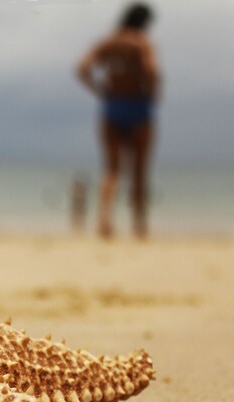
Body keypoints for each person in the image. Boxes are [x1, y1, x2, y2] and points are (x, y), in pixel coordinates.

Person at [77, 3, 159, 239]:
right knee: (139, 170)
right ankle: (139, 225)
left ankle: (104, 220)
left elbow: (82, 68)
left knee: (111, 168)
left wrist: (100, 90)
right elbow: (152, 71)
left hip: (112, 106)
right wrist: (152, 93)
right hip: (138, 105)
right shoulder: (142, 43)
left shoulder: (108, 43)